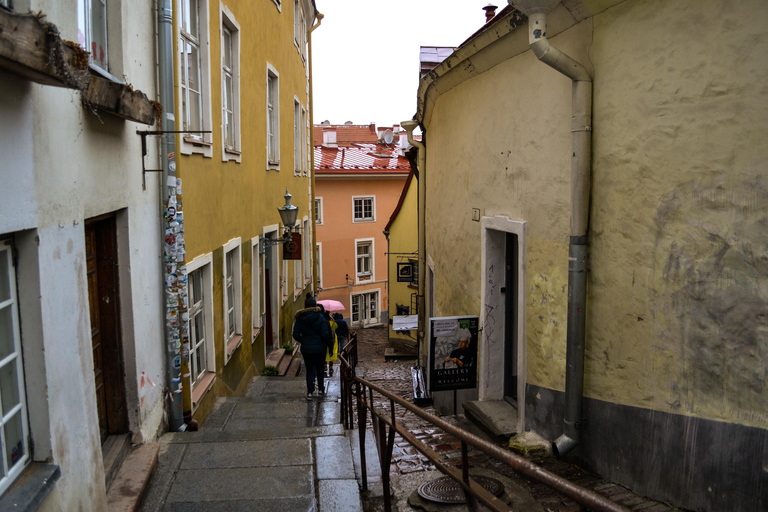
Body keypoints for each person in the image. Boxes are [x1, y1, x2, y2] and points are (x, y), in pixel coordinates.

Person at [292, 295, 333, 399]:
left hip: (306, 348)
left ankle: (310, 392)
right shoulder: (320, 317)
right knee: (319, 368)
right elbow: (325, 334)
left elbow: (295, 334)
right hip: (320, 348)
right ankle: (321, 390)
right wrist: (324, 342)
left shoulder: (300, 318)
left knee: (309, 369)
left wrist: (304, 340)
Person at [324, 309, 338, 377]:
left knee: (325, 353)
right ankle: (330, 367)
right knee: (332, 353)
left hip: (326, 338)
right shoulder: (332, 322)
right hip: (333, 338)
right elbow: (336, 327)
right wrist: (333, 321)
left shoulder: (324, 321)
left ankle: (325, 366)